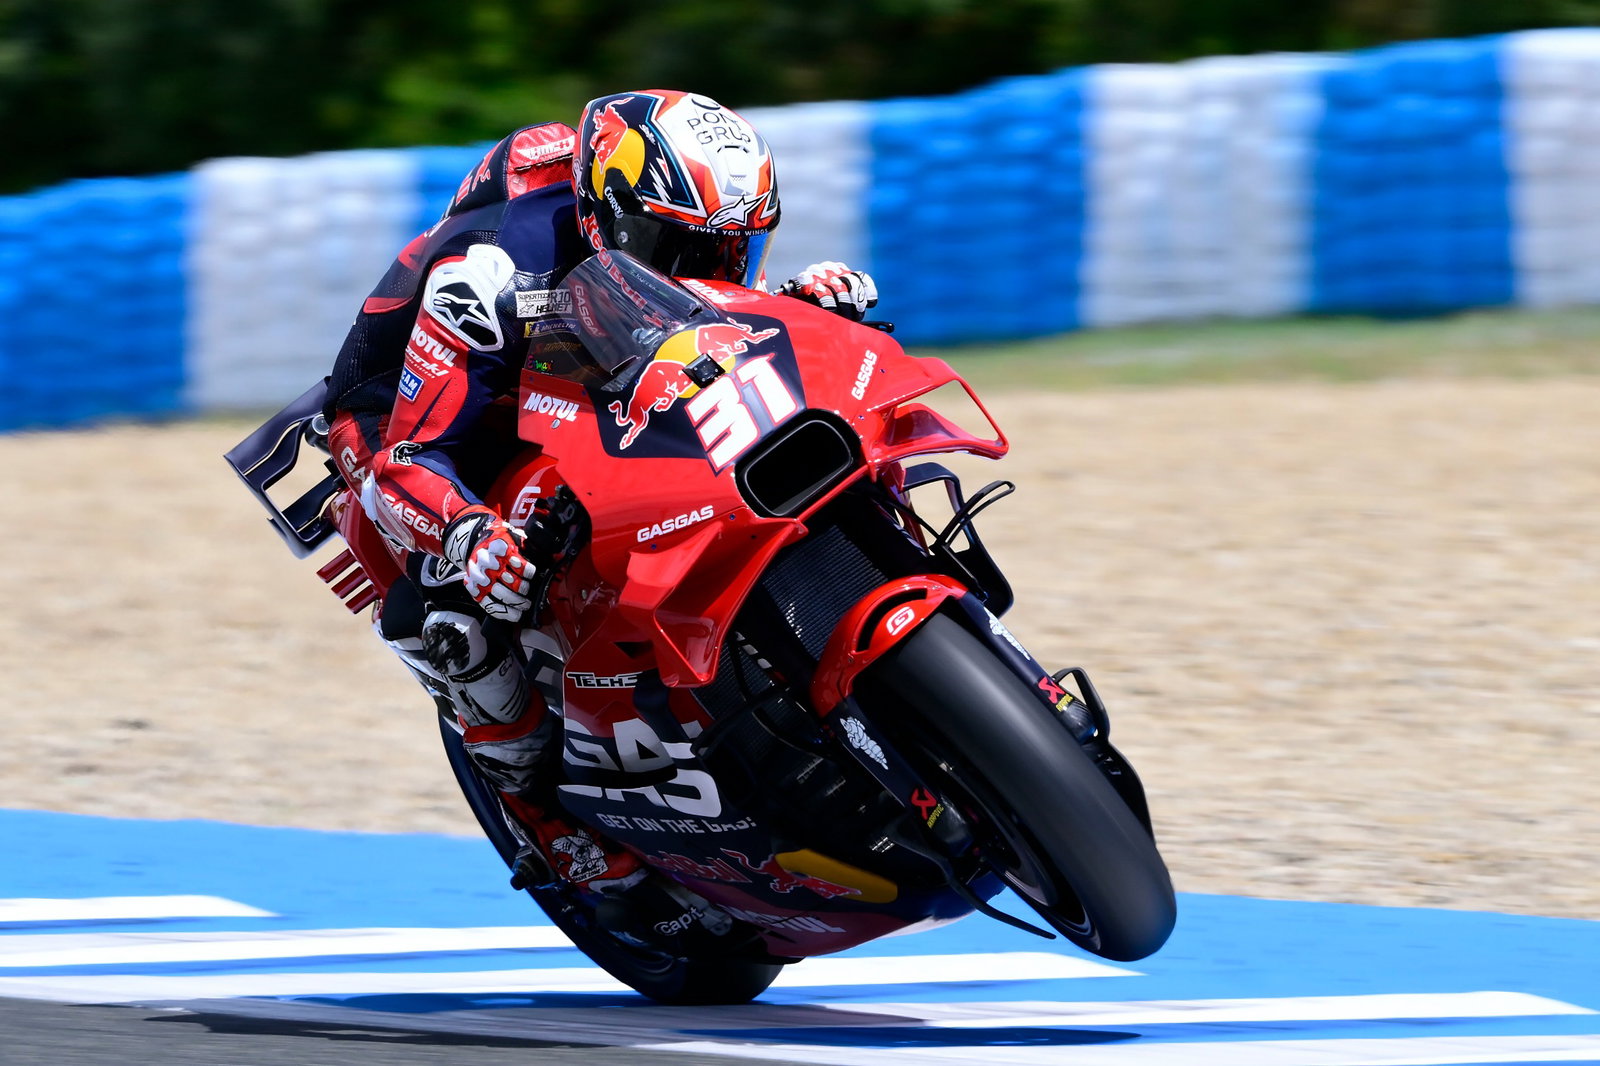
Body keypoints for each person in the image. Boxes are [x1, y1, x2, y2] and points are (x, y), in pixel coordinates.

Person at [320, 90, 878, 947]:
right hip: (430, 413)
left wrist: (795, 302)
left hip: (585, 345)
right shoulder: (492, 272)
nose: (711, 269)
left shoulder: (660, 221)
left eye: (733, 249)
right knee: (463, 614)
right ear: (603, 216)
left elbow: (709, 302)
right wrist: (470, 534)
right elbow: (408, 457)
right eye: (682, 250)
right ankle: (549, 824)